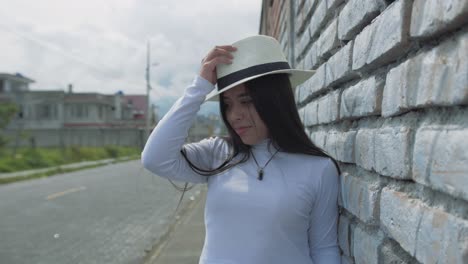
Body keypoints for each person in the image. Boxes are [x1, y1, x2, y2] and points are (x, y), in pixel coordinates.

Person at [141, 35, 341, 264]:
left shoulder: (318, 169)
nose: (234, 115)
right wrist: (200, 87)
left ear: (275, 99)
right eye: (227, 104)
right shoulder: (218, 154)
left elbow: (324, 249)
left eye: (246, 100)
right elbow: (154, 158)